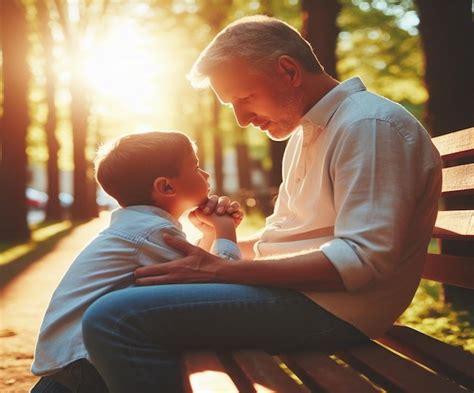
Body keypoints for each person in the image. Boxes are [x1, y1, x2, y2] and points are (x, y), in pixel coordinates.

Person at [81, 15, 443, 393]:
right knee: (121, 295)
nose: (240, 119)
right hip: (306, 297)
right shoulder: (309, 134)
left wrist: (220, 271)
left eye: (244, 98)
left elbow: (363, 261)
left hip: (338, 309)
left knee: (115, 318)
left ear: (288, 71)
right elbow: (282, 241)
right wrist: (217, 245)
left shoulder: (368, 127)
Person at [30, 131, 243, 393]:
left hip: (72, 370)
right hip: (84, 372)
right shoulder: (151, 233)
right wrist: (226, 232)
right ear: (166, 186)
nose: (206, 175)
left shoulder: (140, 226)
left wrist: (209, 233)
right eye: (196, 167)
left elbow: (195, 274)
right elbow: (217, 288)